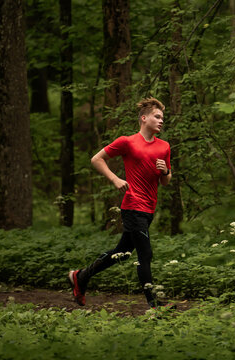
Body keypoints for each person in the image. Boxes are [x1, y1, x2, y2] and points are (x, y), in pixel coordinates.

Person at [68, 97, 173, 309]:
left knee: (123, 252)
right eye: (157, 116)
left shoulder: (164, 147)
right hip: (133, 206)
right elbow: (96, 159)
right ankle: (154, 306)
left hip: (149, 209)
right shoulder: (128, 142)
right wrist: (115, 179)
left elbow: (165, 181)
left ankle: (81, 276)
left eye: (163, 118)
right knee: (145, 254)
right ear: (144, 118)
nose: (161, 121)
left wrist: (166, 171)